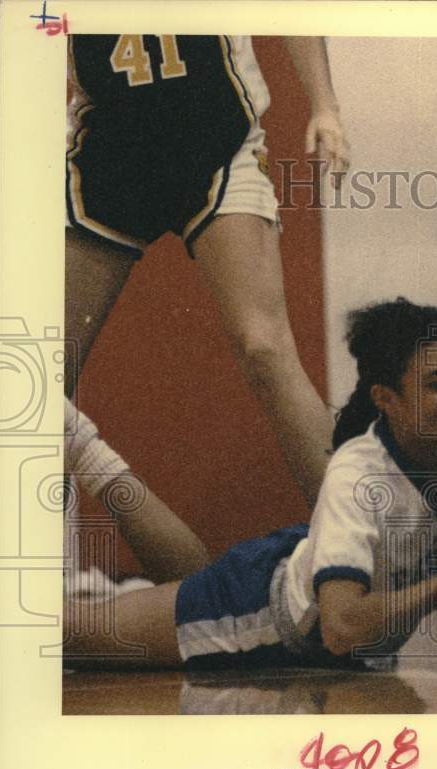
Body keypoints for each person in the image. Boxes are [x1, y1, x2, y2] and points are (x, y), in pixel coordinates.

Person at [62, 298, 437, 669]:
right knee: (64, 635)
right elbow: (340, 629)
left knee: (177, 583)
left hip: (312, 558)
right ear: (386, 399)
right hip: (262, 612)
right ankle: (72, 435)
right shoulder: (357, 476)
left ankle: (128, 593)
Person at [65, 35, 350, 507]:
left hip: (216, 134)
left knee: (265, 347)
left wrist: (325, 105)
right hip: (109, 145)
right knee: (37, 375)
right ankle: (25, 563)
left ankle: (356, 553)